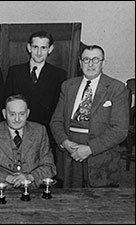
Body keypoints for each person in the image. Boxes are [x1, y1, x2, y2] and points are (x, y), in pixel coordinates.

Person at [50, 45, 129, 188]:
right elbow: (56, 121)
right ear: (80, 63)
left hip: (100, 157)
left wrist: (89, 149)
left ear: (103, 63)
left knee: (99, 204)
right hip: (70, 154)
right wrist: (65, 142)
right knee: (68, 202)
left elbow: (120, 130)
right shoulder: (68, 86)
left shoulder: (116, 88)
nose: (90, 64)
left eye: (96, 59)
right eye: (86, 59)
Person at [4, 31, 67, 154]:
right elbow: (7, 103)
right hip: (17, 132)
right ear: (29, 48)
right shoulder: (14, 72)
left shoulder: (59, 75)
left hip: (44, 136)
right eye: (35, 47)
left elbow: (58, 109)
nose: (38, 52)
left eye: (43, 48)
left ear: (50, 49)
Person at [0, 94, 56, 189]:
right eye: (12, 114)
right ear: (4, 113)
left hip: (32, 190)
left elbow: (49, 166)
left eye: (21, 114)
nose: (17, 119)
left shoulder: (40, 131)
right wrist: (7, 178)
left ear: (28, 113)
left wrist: (29, 177)